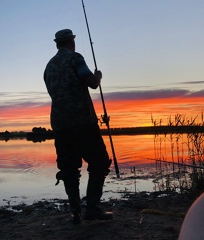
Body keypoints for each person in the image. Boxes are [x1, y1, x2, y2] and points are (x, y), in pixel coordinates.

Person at [44, 29, 113, 224]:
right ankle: (92, 208)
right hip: (82, 121)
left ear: (57, 43)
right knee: (99, 161)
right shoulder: (76, 58)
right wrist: (98, 76)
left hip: (59, 124)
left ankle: (75, 212)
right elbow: (91, 83)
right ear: (72, 41)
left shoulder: (48, 66)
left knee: (69, 167)